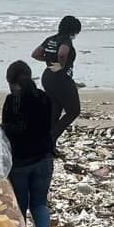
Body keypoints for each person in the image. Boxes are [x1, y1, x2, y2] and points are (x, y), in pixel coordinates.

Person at [1, 60, 55, 227]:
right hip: (44, 158)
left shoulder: (12, 100)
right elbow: (46, 125)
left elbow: (8, 129)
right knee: (40, 203)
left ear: (11, 82)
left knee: (20, 206)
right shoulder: (44, 98)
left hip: (20, 163)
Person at [31, 15, 82, 153]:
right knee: (74, 110)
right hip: (61, 79)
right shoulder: (66, 41)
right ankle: (51, 138)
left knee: (55, 111)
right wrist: (61, 64)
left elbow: (35, 54)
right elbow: (62, 53)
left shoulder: (50, 39)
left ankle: (48, 146)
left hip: (48, 77)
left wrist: (48, 61)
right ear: (73, 30)